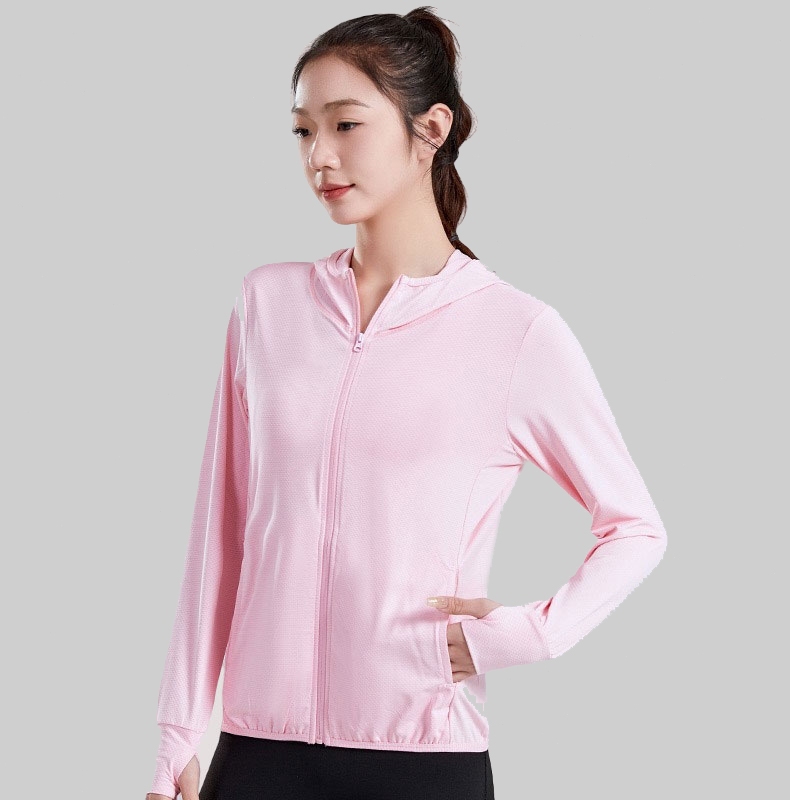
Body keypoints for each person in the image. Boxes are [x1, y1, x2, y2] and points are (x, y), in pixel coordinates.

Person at [145, 6, 668, 800]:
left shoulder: (515, 331)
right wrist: (180, 728)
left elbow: (635, 528)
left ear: (432, 128)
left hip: (422, 756)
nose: (319, 155)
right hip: (259, 753)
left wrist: (527, 633)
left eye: (346, 124)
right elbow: (221, 532)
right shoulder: (267, 306)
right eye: (302, 131)